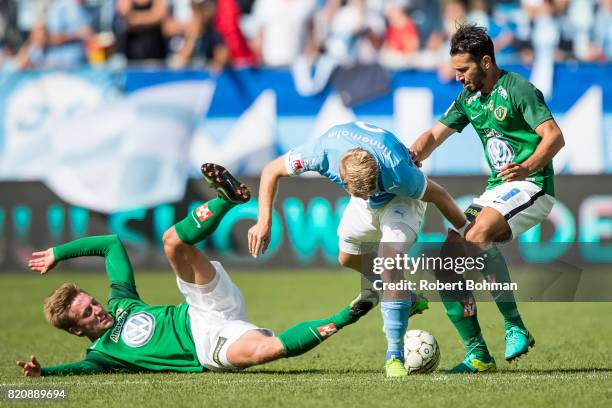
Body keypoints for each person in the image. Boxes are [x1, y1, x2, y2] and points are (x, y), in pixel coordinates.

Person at [16, 163, 374, 377]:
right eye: (88, 314)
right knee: (267, 350)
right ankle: (354, 310)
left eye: (92, 301)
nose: (98, 309)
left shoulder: (122, 302)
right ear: (78, 332)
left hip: (201, 307)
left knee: (172, 242)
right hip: (207, 346)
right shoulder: (103, 356)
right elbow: (75, 372)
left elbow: (110, 243)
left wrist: (57, 253)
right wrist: (44, 374)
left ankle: (226, 199)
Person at [248, 121, 468, 378]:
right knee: (347, 257)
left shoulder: (399, 172)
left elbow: (440, 195)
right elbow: (271, 170)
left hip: (402, 201)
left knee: (388, 263)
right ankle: (403, 296)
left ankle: (394, 356)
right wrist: (264, 220)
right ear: (341, 177)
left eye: (372, 186)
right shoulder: (320, 153)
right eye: (363, 191)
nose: (370, 193)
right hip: (364, 203)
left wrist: (468, 233)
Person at [410, 24, 565, 373]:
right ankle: (478, 353)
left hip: (532, 185)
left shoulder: (519, 89)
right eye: (455, 71)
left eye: (463, 70)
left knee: (477, 235)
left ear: (486, 62)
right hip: (499, 189)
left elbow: (554, 137)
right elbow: (434, 135)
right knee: (446, 258)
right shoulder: (469, 99)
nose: (459, 78)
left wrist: (527, 167)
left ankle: (514, 326)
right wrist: (410, 154)